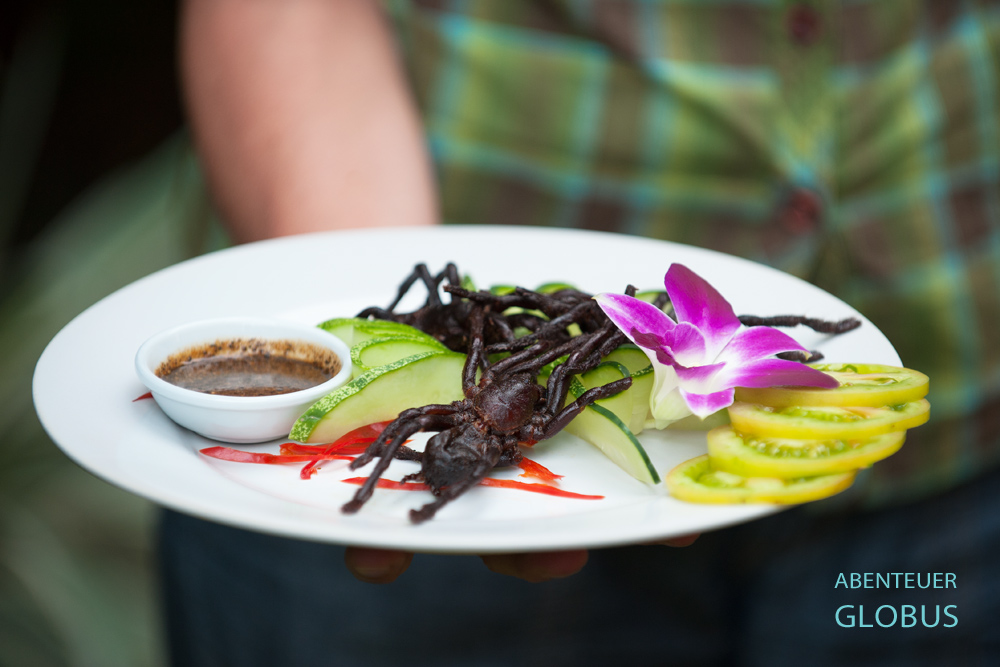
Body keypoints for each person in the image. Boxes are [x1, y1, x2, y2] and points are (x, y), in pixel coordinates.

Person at [17, 0, 1000, 664]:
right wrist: (346, 290)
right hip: (423, 564)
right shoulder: (487, 406)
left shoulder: (536, 379)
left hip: (954, 458)